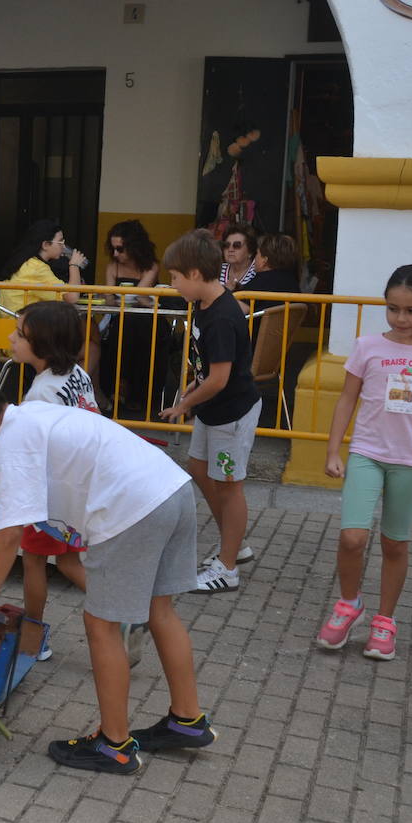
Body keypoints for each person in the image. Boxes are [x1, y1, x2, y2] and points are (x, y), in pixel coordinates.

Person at [0, 363, 215, 774]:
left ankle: (114, 746)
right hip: (171, 490)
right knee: (160, 611)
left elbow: (11, 534)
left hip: (129, 511)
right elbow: (12, 497)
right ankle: (187, 720)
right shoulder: (29, 417)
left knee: (101, 625)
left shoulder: (10, 445)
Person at [317, 265, 412, 660]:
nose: (401, 318)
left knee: (395, 542)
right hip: (366, 453)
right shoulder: (367, 347)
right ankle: (348, 605)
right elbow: (346, 400)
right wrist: (333, 450)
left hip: (410, 460)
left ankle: (385, 621)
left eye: (411, 310)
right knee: (352, 537)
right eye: (393, 309)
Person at [159, 230, 261, 593]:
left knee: (229, 486)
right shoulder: (204, 305)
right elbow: (209, 370)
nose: (172, 285)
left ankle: (228, 566)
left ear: (196, 275)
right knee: (199, 468)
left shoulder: (220, 316)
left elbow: (219, 379)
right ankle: (233, 543)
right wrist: (193, 387)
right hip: (213, 410)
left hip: (230, 413)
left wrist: (185, 404)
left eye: (174, 277)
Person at [5, 300, 92, 652]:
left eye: (20, 334)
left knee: (34, 560)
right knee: (70, 561)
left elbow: (30, 454)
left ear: (42, 344)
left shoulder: (41, 394)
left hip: (49, 494)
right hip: (80, 486)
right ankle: (128, 613)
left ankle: (33, 636)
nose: (12, 338)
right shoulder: (77, 374)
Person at [97, 220, 161, 413]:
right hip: (122, 319)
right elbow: (110, 299)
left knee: (134, 327)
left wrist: (118, 296)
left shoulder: (151, 266)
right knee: (123, 328)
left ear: (134, 247)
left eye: (120, 249)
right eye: (113, 249)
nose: (116, 254)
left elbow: (141, 295)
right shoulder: (112, 266)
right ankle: (120, 386)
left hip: (146, 321)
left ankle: (131, 389)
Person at [0, 218, 86, 315]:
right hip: (22, 325)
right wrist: (74, 265)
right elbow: (72, 297)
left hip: (11, 321)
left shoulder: (26, 261)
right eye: (60, 242)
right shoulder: (36, 268)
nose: (63, 247)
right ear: (45, 245)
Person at [238, 234, 301, 314]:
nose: (255, 258)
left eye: (257, 254)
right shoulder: (293, 282)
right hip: (285, 326)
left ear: (264, 260)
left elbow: (236, 312)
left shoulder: (260, 282)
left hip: (257, 326)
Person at [220, 222, 257, 291]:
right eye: (226, 245)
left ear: (250, 251)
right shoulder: (216, 271)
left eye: (237, 245)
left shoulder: (257, 272)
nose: (230, 249)